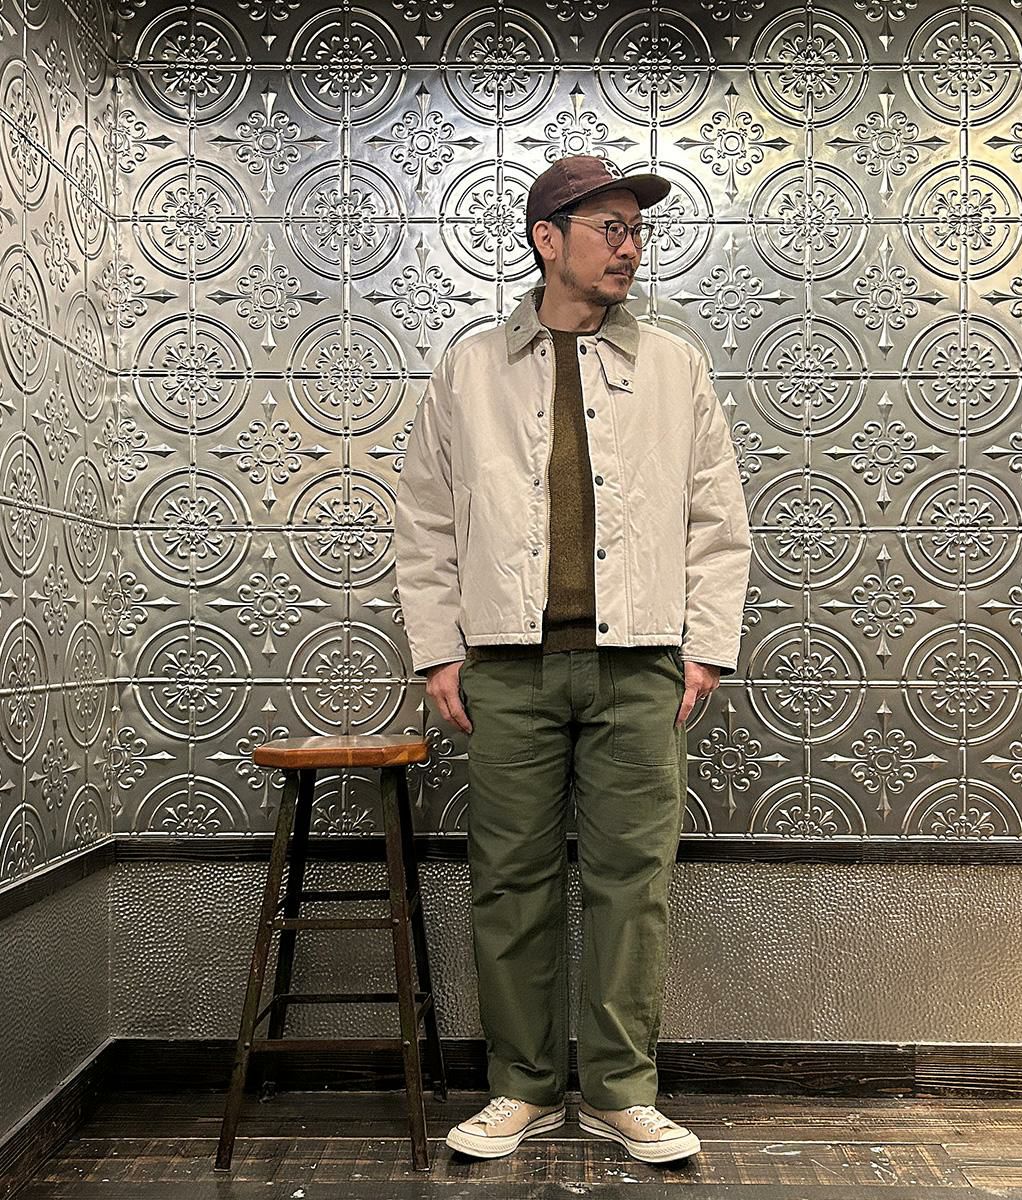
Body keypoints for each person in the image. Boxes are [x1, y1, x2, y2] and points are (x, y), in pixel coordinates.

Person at [392, 154, 751, 1164]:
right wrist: (438, 654)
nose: (631, 247)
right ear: (547, 240)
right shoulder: (469, 369)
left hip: (640, 665)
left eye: (637, 230)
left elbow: (718, 518)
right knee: (510, 881)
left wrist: (704, 652)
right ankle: (522, 1088)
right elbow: (424, 519)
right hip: (506, 668)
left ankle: (623, 1092)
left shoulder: (675, 367)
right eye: (610, 228)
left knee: (633, 882)